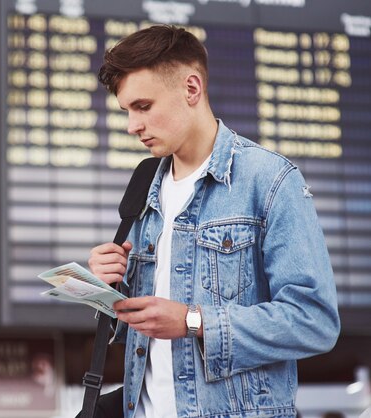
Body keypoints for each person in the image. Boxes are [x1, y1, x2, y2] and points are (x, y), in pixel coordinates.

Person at [88, 25, 340, 418]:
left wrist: (192, 321)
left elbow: (314, 321)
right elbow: (141, 333)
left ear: (191, 89)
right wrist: (109, 285)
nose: (131, 126)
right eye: (127, 111)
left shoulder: (269, 180)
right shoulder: (144, 184)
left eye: (143, 107)